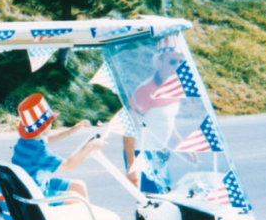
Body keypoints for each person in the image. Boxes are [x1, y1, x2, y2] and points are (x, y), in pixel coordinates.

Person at [123, 35, 194, 192]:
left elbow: (167, 120)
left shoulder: (174, 88)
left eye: (180, 62)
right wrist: (131, 166)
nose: (177, 66)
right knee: (154, 201)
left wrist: (181, 144)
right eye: (172, 61)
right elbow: (128, 129)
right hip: (143, 152)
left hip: (159, 152)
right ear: (159, 62)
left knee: (160, 201)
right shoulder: (146, 90)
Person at [11, 93, 106, 202]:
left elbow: (48, 139)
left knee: (79, 186)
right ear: (45, 125)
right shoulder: (38, 152)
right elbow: (68, 165)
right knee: (77, 198)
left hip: (33, 187)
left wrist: (71, 131)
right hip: (37, 196)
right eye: (50, 121)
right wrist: (90, 146)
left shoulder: (26, 142)